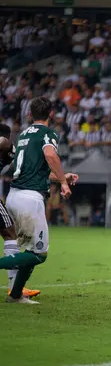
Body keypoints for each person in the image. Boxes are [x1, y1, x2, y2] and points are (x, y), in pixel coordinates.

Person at [0, 97, 78, 304]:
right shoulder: (48, 134)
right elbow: (51, 156)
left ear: (30, 114)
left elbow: (31, 171)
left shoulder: (24, 135)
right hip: (30, 198)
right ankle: (15, 292)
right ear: (51, 114)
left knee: (30, 248)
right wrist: (63, 182)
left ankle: (16, 295)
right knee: (39, 254)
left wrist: (63, 176)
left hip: (14, 195)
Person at [0, 124, 41, 299]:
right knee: (10, 233)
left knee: (9, 232)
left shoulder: (10, 155)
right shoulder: (7, 145)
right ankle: (14, 287)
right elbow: (3, 142)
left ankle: (14, 287)